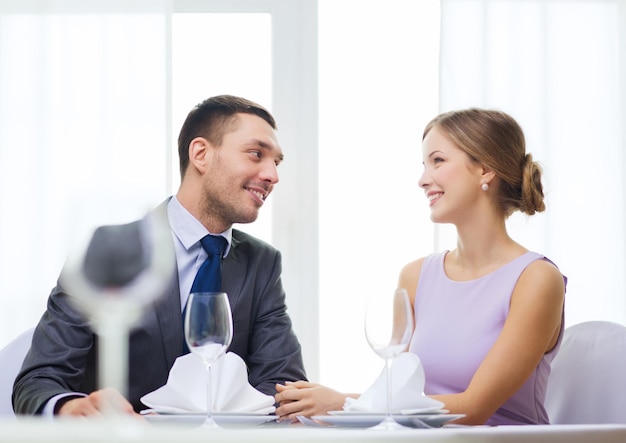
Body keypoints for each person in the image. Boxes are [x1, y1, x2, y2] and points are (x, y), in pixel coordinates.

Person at [13, 94, 307, 417]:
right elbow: (39, 381)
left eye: (276, 162)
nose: (272, 176)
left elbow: (282, 387)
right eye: (256, 154)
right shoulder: (109, 248)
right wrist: (72, 409)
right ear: (201, 154)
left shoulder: (262, 264)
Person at [274, 108, 566, 426]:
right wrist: (321, 415)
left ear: (485, 169)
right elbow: (395, 396)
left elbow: (474, 407)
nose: (423, 180)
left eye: (438, 161)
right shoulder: (415, 277)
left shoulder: (536, 279)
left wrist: (340, 404)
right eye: (424, 165)